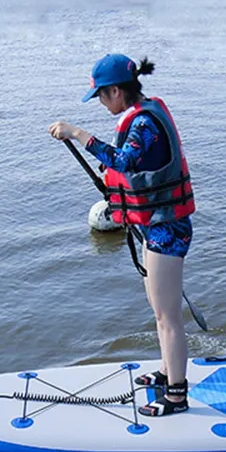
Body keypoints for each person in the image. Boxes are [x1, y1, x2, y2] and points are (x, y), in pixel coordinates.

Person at [48, 54, 196, 417]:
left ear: (116, 90)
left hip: (166, 228)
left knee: (168, 316)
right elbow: (136, 164)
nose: (101, 102)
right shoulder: (145, 112)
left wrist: (77, 133)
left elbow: (126, 161)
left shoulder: (144, 122)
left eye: (101, 95)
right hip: (154, 224)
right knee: (158, 309)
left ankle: (176, 396)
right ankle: (166, 372)